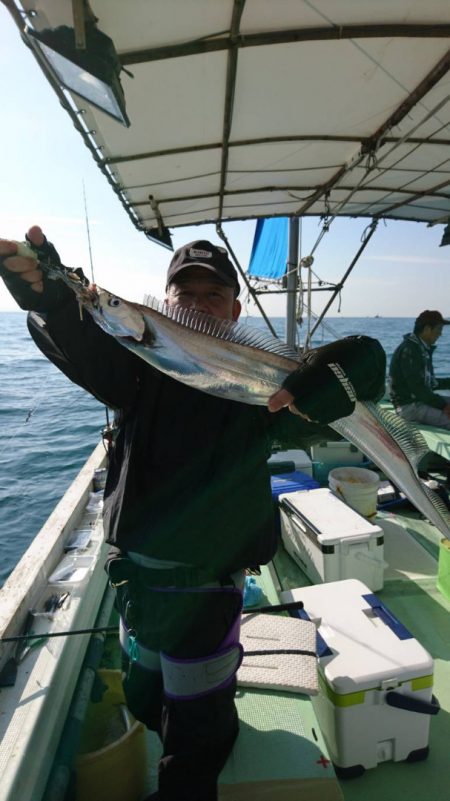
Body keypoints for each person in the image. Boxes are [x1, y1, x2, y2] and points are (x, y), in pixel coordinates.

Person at [0, 227, 385, 801]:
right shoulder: (134, 373)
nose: (198, 303)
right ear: (167, 302)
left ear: (233, 309)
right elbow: (89, 347)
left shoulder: (268, 395)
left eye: (213, 295)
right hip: (138, 583)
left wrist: (349, 368)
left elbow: (344, 390)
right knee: (145, 693)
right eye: (186, 294)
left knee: (194, 740)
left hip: (205, 593)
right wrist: (54, 301)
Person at [389, 310, 450, 430]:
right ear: (427, 329)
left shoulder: (419, 348)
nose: (440, 334)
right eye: (439, 329)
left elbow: (429, 383)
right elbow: (417, 387)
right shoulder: (410, 350)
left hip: (421, 401)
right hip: (409, 407)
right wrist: (444, 406)